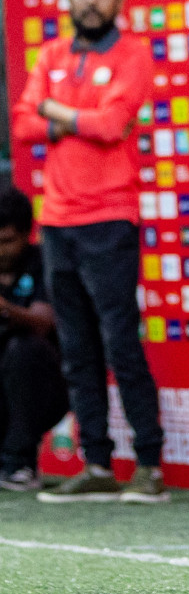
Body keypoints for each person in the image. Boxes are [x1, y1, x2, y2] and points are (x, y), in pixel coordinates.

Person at [12, 0, 166, 502]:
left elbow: (109, 124)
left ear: (118, 0)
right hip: (57, 222)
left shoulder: (134, 55)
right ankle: (97, 464)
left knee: (122, 343)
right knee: (76, 349)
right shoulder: (52, 53)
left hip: (109, 220)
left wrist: (56, 113)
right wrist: (64, 116)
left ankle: (150, 465)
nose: (91, 1)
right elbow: (22, 121)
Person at [0, 187, 67, 492]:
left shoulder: (44, 263)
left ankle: (19, 463)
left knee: (23, 349)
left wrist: (5, 309)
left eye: (6, 241)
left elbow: (42, 323)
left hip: (44, 389)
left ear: (27, 233)